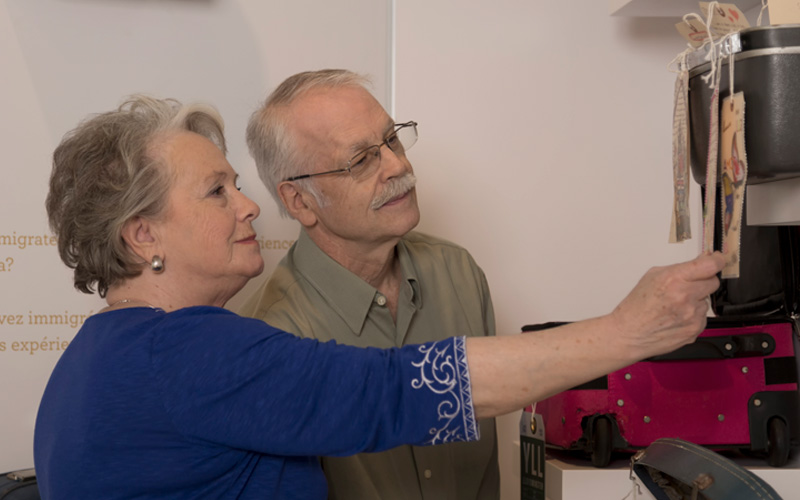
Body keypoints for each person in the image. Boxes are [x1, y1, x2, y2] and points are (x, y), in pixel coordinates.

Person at [34, 94, 725, 500]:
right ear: (142, 234)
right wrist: (628, 331)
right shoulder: (185, 351)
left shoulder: (102, 354)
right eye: (217, 192)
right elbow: (399, 391)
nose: (249, 209)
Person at [239, 69, 500, 499]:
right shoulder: (269, 335)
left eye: (392, 140)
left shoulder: (459, 273)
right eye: (361, 160)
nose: (398, 166)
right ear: (299, 201)